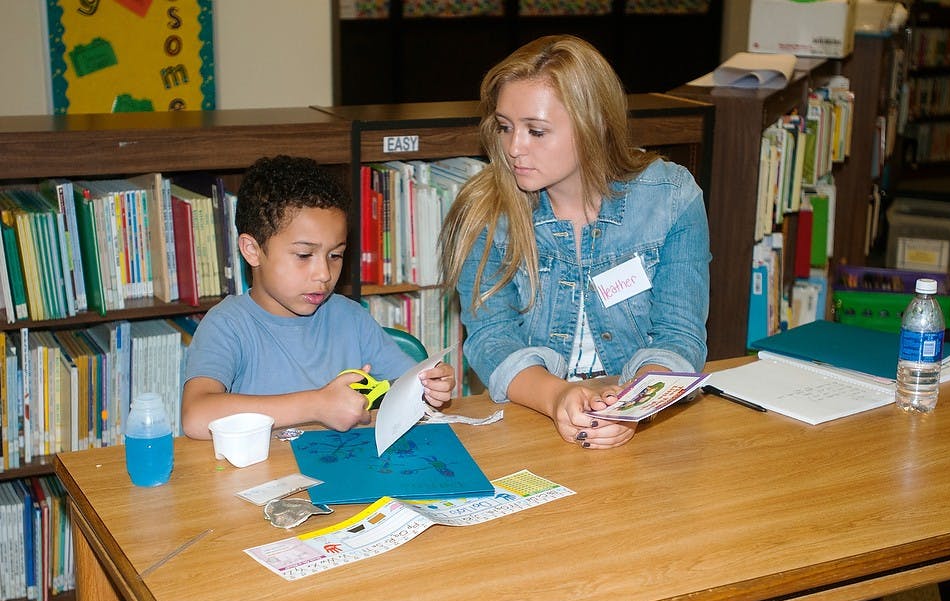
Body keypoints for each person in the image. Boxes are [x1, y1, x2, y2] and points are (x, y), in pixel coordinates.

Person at [440, 35, 710, 450]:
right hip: (532, 413)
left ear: (594, 124)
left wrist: (630, 407)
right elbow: (491, 337)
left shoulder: (671, 197)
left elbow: (680, 334)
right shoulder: (484, 210)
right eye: (506, 127)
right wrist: (558, 397)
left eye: (536, 131)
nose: (514, 148)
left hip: (644, 413)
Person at [181, 155, 456, 440]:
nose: (324, 274)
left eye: (335, 255)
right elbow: (196, 416)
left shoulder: (350, 318)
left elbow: (409, 385)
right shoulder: (228, 325)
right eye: (304, 255)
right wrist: (315, 405)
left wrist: (430, 387)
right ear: (252, 250)